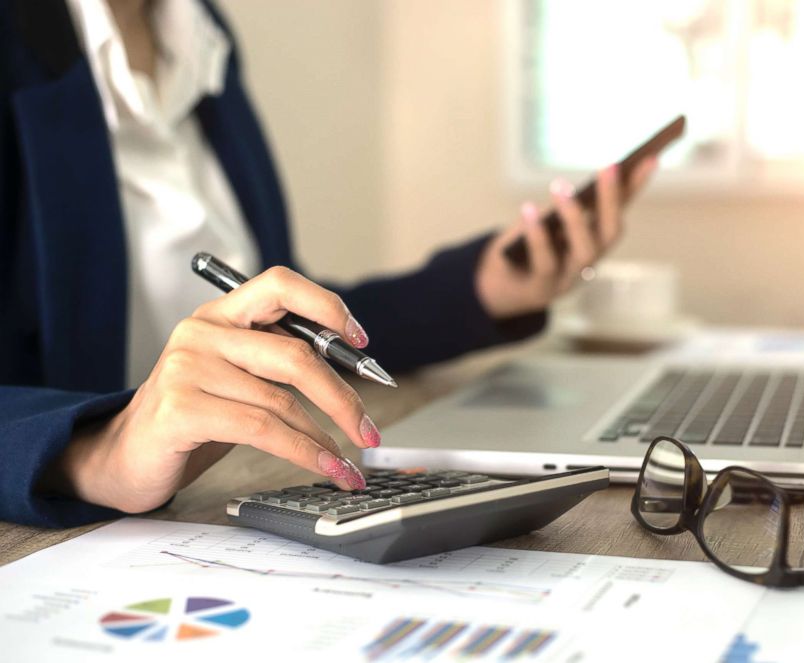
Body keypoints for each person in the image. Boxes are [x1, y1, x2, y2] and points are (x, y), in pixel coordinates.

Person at [0, 0, 658, 528]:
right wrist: (94, 448)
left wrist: (484, 288)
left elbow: (286, 323)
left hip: (226, 492)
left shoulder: (202, 35)